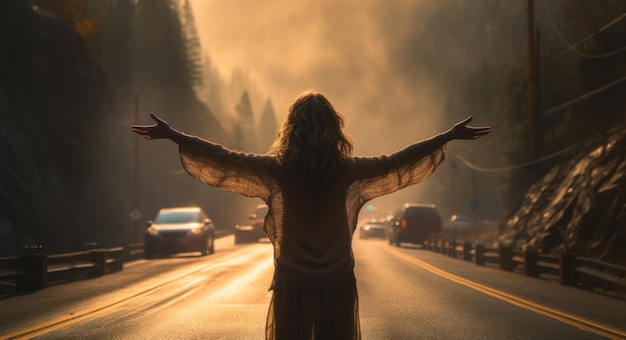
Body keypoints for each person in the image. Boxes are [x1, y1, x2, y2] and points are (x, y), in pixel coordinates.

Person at [131, 91, 491, 340]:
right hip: (337, 281)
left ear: (291, 128)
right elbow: (399, 161)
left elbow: (223, 157)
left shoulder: (276, 169)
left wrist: (173, 135)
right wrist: (448, 136)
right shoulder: (349, 171)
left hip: (292, 281)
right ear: (334, 129)